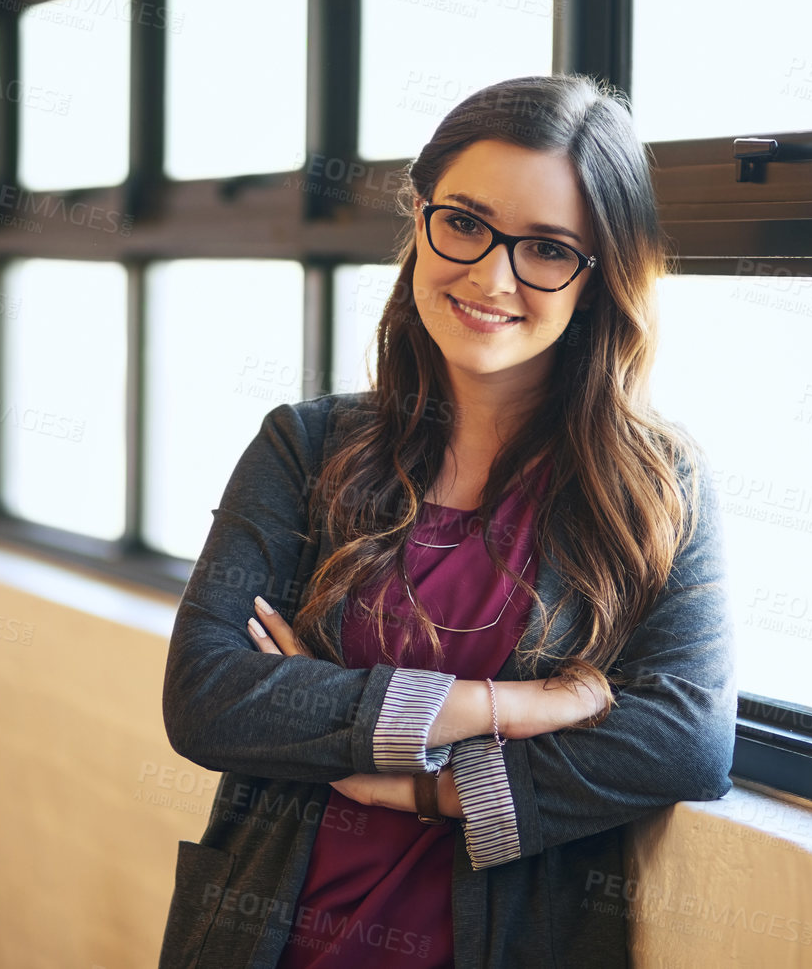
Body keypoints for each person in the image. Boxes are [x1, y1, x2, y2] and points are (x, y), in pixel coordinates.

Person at [158, 74, 735, 969]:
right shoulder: (303, 448)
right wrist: (504, 705)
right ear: (420, 217)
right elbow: (207, 696)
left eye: (546, 249)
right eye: (464, 222)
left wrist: (410, 789)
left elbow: (683, 740)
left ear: (599, 276)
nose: (491, 275)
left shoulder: (655, 485)